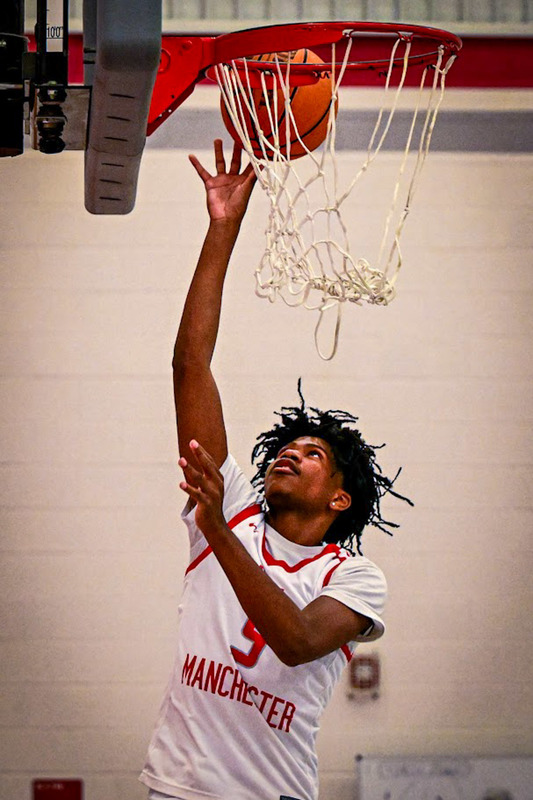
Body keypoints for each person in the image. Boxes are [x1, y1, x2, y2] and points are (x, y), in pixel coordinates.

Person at [139, 140, 412, 800]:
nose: (290, 453)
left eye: (313, 453)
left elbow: (293, 641)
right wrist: (223, 228)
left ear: (341, 500)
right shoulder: (228, 502)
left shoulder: (353, 578)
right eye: (288, 448)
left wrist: (219, 534)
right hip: (172, 790)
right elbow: (189, 367)